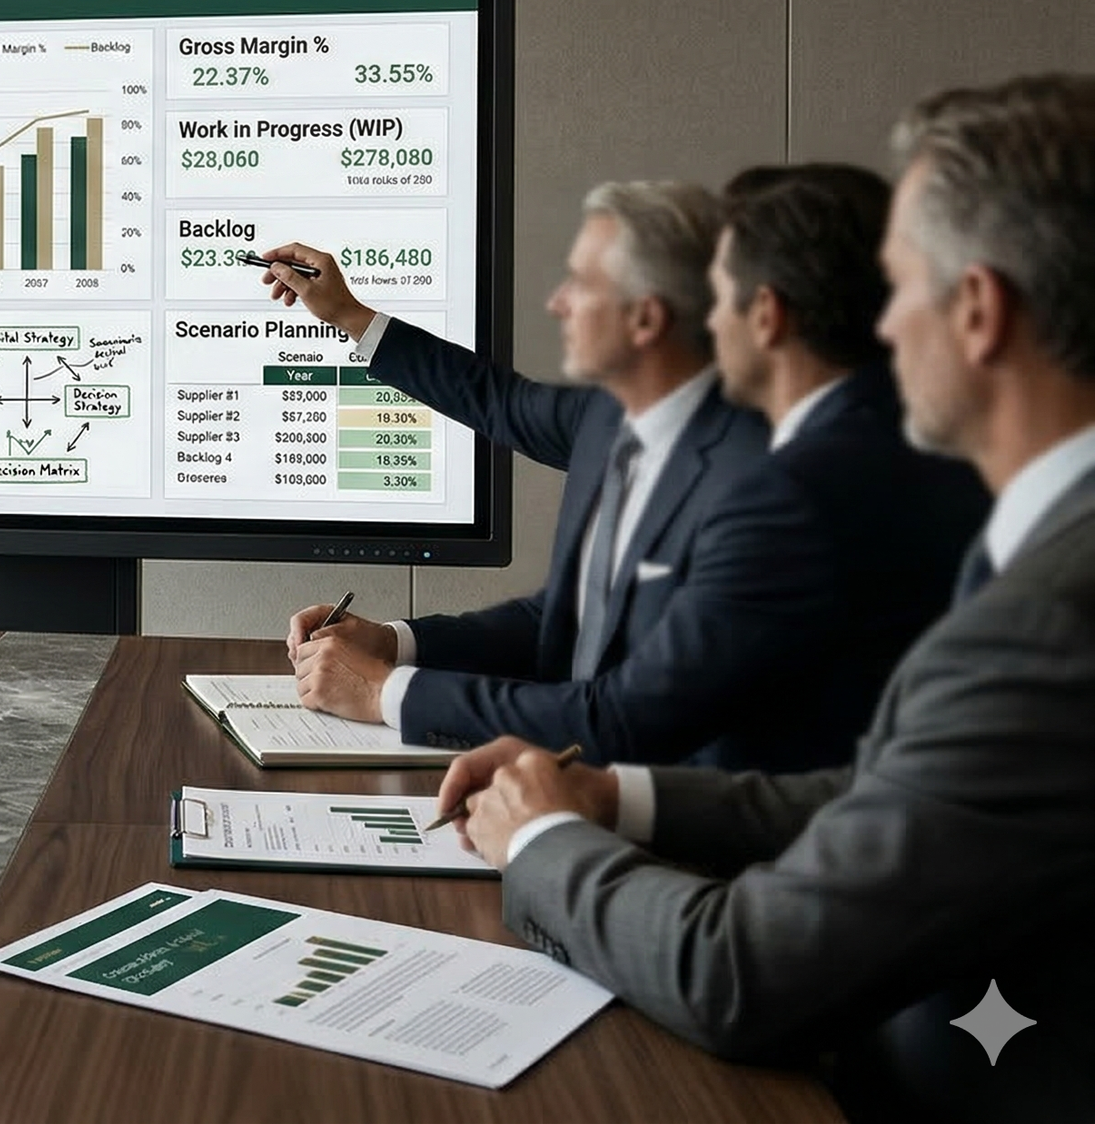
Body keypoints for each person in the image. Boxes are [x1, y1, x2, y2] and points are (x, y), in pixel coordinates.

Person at [442, 74, 1095, 1122]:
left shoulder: (1049, 622)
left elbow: (740, 975)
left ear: (977, 311)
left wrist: (541, 842)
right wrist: (613, 797)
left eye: (897, 288)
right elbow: (896, 788)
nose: (880, 327)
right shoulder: (1042, 548)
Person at [255, 181, 781, 763]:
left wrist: (386, 692)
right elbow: (559, 617)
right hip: (561, 782)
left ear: (645, 319)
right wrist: (394, 643)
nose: (557, 302)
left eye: (580, 283)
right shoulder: (608, 419)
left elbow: (626, 715)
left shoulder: (755, 485)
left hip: (667, 805)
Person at [696, 164, 986, 759]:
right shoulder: (904, 445)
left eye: (719, 296)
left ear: (766, 314)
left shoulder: (793, 490)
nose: (709, 320)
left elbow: (658, 709)